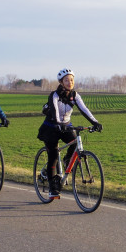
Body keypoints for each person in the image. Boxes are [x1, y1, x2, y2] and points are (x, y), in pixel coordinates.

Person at [38, 68, 102, 198]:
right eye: (66, 80)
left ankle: (68, 161)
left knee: (75, 143)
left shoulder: (75, 95)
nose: (70, 82)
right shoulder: (54, 95)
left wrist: (96, 122)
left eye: (71, 80)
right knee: (53, 156)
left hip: (66, 126)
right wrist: (57, 124)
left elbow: (85, 109)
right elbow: (55, 111)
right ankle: (53, 188)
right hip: (51, 127)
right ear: (61, 82)